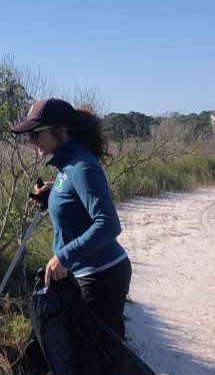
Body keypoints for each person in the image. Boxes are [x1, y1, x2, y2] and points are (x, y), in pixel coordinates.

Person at [11, 98, 132, 339]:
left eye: (36, 133)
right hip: (81, 272)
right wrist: (52, 195)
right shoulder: (66, 165)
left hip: (100, 275)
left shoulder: (81, 166)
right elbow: (75, 201)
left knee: (104, 359)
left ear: (61, 130)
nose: (31, 140)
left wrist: (64, 257)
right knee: (80, 353)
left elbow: (108, 224)